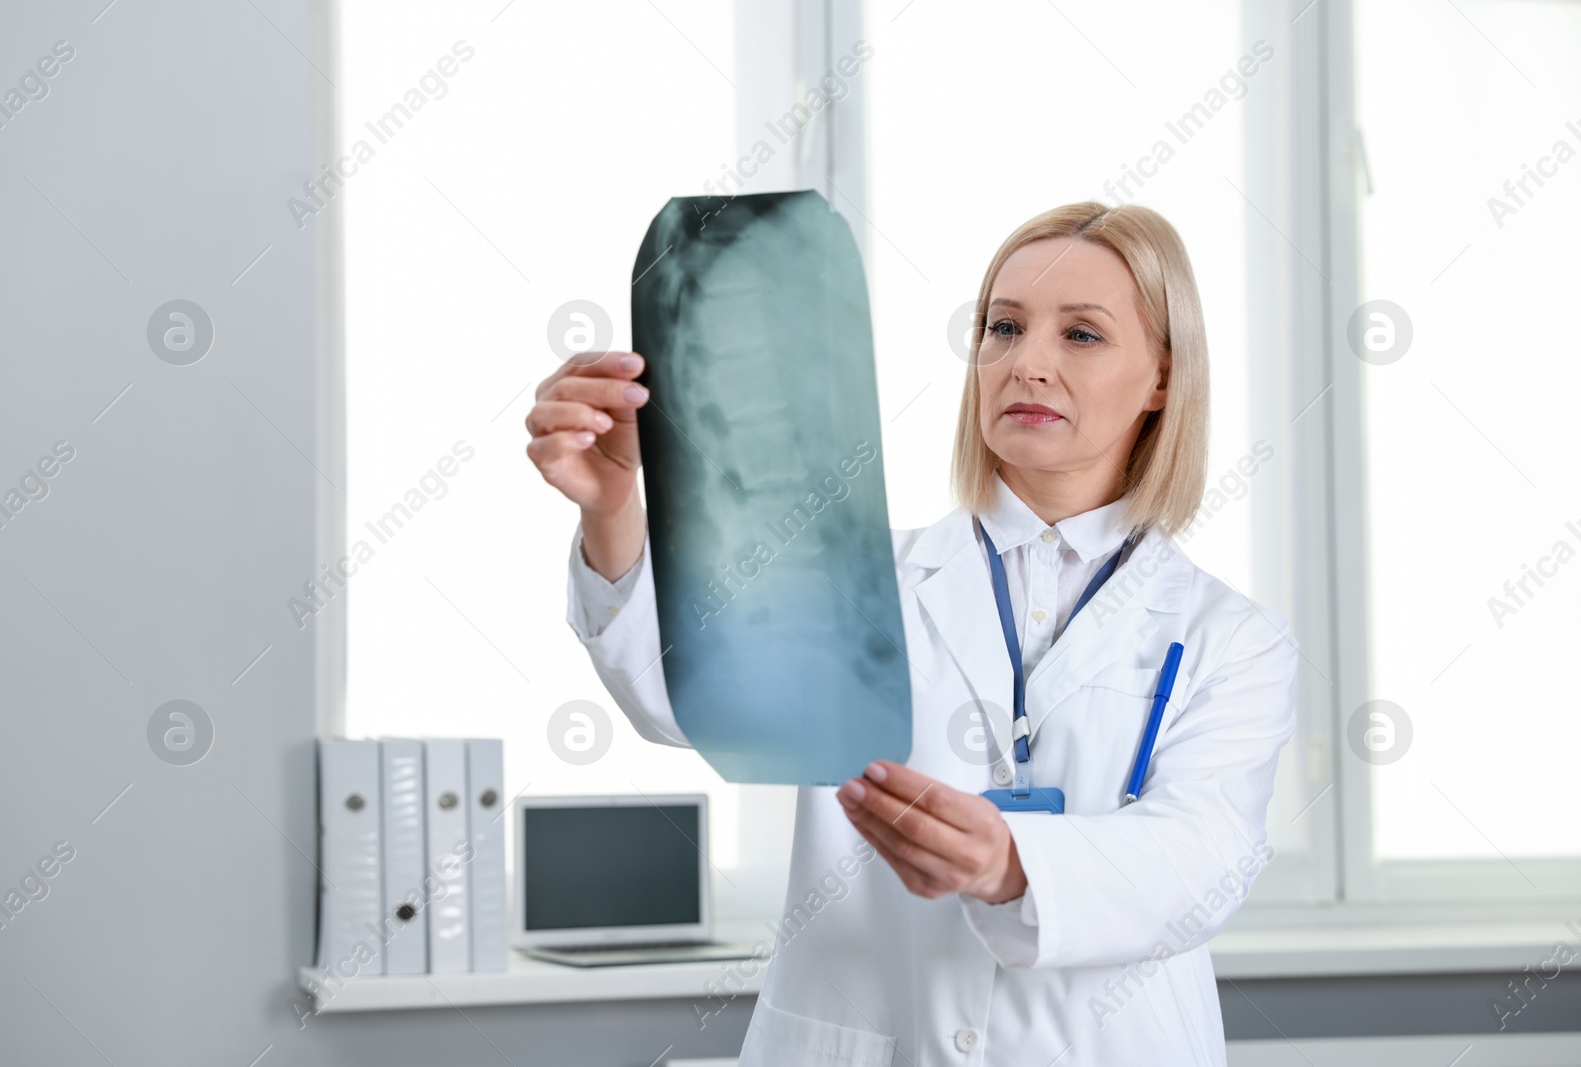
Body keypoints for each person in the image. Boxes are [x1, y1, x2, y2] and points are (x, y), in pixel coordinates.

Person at [525, 200, 1297, 1066]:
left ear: (1162, 375)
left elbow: (1198, 861)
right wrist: (615, 510)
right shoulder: (852, 576)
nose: (1026, 363)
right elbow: (691, 699)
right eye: (1003, 328)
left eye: (1081, 335)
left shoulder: (1232, 638)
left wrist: (1009, 862)